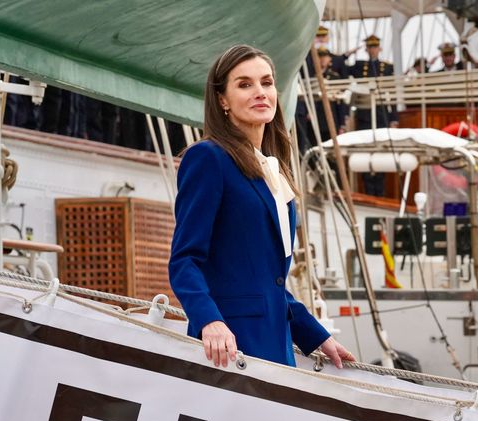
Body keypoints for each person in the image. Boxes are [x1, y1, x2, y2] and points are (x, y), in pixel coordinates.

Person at [169, 44, 353, 369]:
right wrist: (208, 321)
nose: (260, 92)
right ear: (222, 99)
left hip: (276, 343)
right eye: (244, 84)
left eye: (266, 83)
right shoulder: (208, 159)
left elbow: (272, 282)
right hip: (229, 342)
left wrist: (317, 336)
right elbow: (185, 260)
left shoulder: (274, 169)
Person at [349, 34, 397, 196]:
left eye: (375, 47)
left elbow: (392, 95)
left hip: (381, 114)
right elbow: (340, 68)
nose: (372, 50)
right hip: (364, 115)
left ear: (379, 48)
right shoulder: (359, 67)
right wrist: (349, 53)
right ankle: (368, 192)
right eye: (370, 47)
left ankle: (380, 192)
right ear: (366, 49)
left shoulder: (387, 67)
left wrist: (394, 118)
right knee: (365, 151)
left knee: (381, 152)